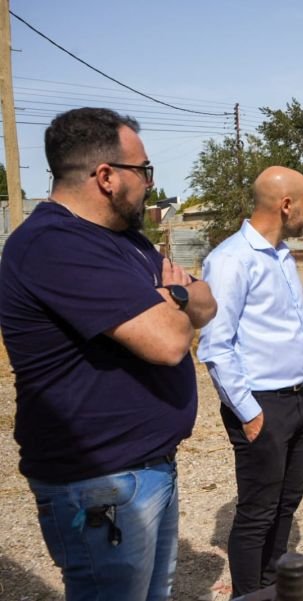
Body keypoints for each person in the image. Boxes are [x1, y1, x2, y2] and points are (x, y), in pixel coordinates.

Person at [0, 107, 217, 600]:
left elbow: (205, 301)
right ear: (106, 176)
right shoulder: (53, 244)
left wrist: (177, 297)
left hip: (145, 467)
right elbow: (168, 342)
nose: (148, 183)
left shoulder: (127, 242)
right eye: (143, 171)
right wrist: (173, 300)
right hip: (101, 482)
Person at [197, 167, 303, 596]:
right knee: (258, 512)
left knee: (287, 502)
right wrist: (248, 413)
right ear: (286, 205)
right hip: (262, 406)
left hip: (301, 398)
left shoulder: (281, 254)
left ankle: (272, 589)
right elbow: (215, 345)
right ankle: (249, 595)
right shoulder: (231, 259)